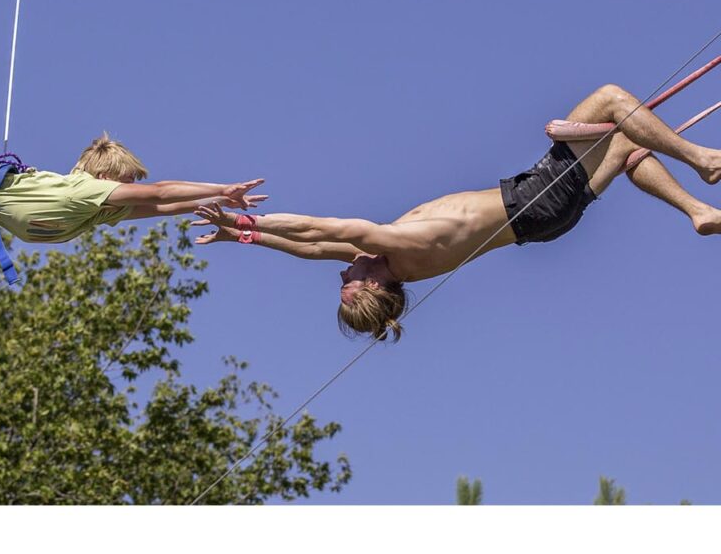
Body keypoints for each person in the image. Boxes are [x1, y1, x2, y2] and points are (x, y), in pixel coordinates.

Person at [192, 81, 721, 342]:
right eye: (348, 283)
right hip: (538, 195)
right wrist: (244, 217)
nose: (342, 271)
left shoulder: (389, 258)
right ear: (375, 287)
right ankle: (704, 161)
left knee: (629, 145)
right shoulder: (398, 248)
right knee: (609, 100)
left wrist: (246, 237)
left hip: (542, 220)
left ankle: (698, 212)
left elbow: (307, 247)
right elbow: (322, 228)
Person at [0, 17, 266, 267]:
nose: (126, 190)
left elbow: (163, 204)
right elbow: (160, 192)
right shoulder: (87, 192)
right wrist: (222, 189)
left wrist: (211, 204)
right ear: (100, 173)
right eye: (124, 180)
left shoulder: (95, 211)